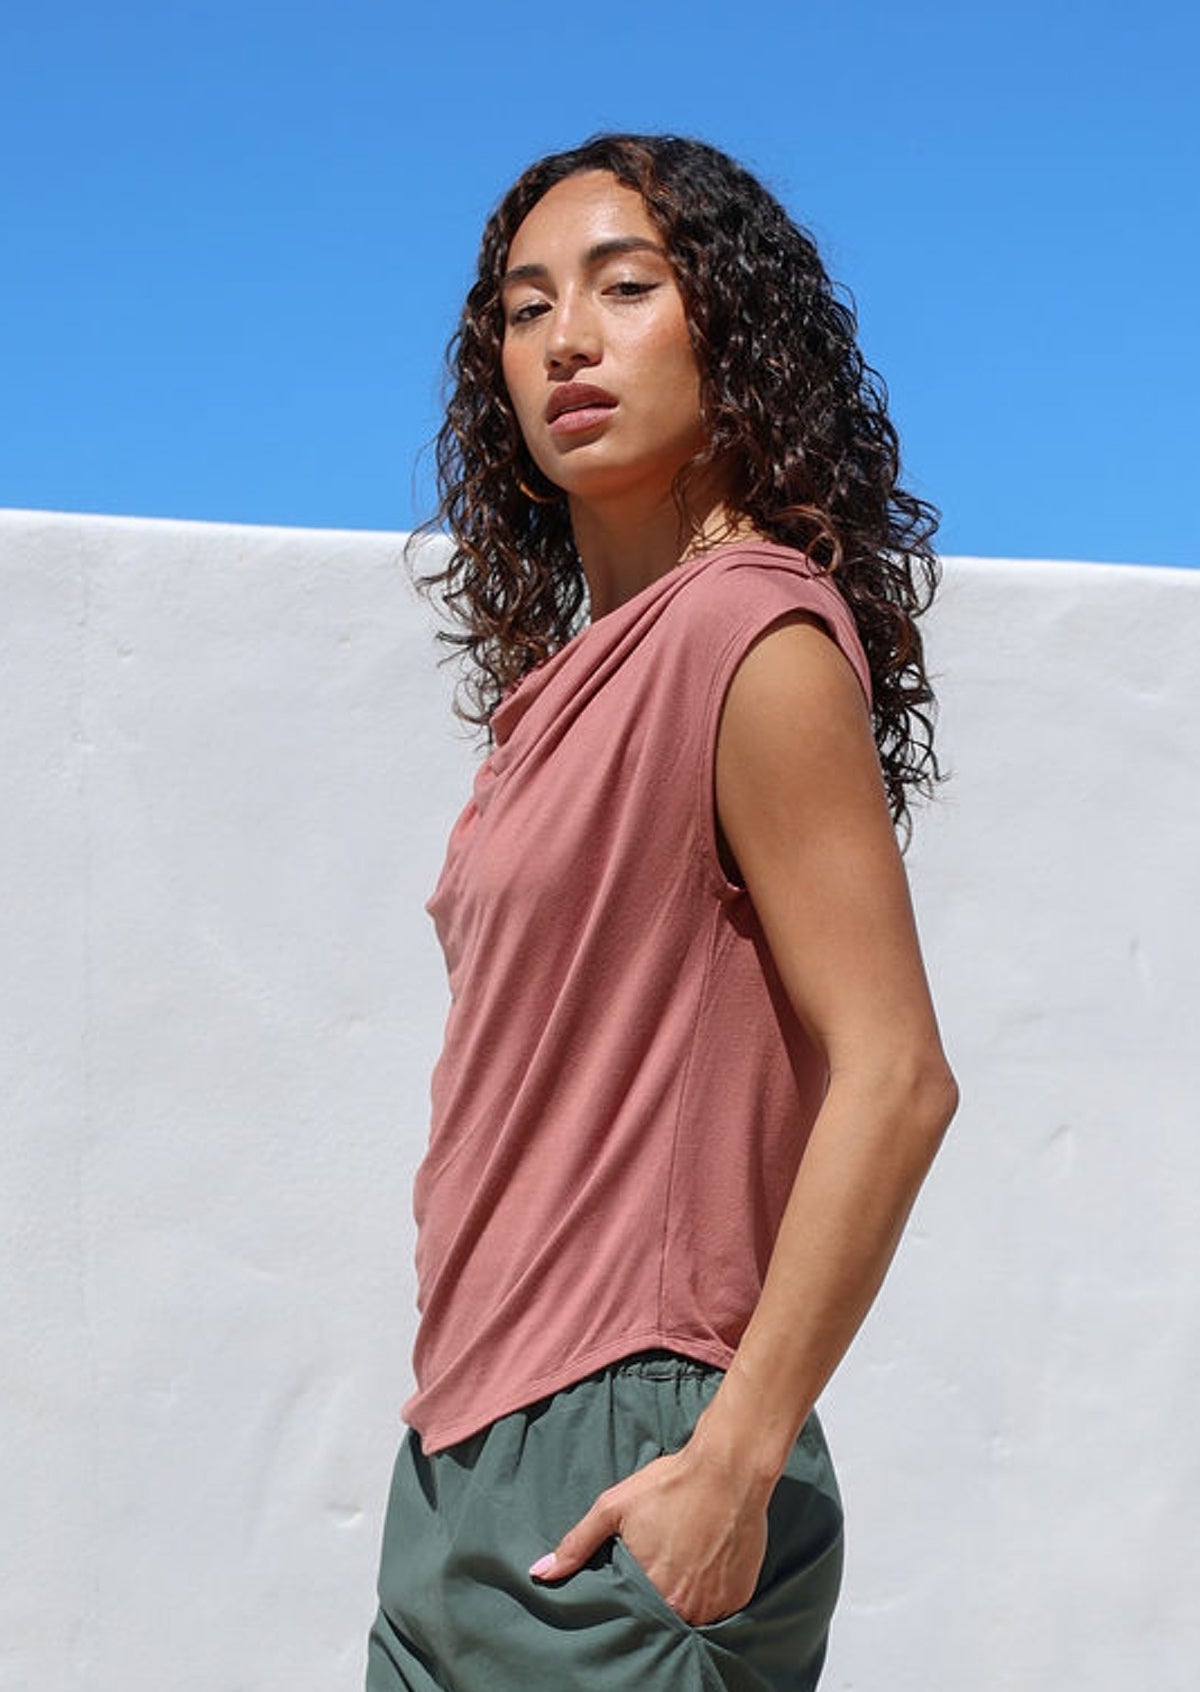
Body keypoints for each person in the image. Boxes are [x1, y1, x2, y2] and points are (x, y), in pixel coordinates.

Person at [366, 133, 958, 1692]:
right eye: (523, 308)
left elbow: (895, 1074)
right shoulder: (552, 698)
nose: (567, 338)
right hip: (465, 1448)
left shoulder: (747, 634)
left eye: (628, 288)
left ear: (734, 332)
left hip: (638, 1433)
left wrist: (735, 1458)